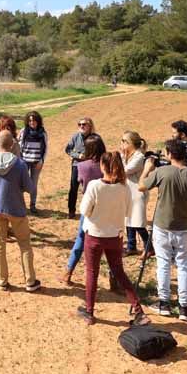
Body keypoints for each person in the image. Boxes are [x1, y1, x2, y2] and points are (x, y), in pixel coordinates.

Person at [138, 139, 187, 320]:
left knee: (163, 264)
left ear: (169, 154)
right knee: (184, 266)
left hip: (162, 226)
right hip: (185, 227)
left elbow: (141, 186)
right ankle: (184, 307)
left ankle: (164, 303)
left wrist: (148, 168)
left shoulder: (162, 172)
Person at [76, 152, 150, 326]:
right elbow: (127, 212)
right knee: (119, 272)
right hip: (115, 236)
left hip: (94, 235)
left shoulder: (95, 186)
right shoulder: (124, 188)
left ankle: (89, 312)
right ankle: (138, 311)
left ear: (103, 166)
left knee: (92, 273)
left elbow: (84, 210)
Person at [0, 130, 41, 292]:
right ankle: (30, 281)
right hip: (16, 209)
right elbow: (30, 188)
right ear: (12, 144)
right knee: (25, 245)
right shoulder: (19, 164)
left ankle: (2, 280)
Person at [61, 135, 107, 285]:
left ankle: (68, 272)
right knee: (109, 243)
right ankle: (114, 280)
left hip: (89, 207)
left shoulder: (83, 166)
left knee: (80, 239)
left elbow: (81, 182)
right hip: (106, 207)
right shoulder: (107, 165)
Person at [119, 131, 151, 256]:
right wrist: (123, 156)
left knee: (138, 222)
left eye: (124, 141)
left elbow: (125, 171)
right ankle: (131, 246)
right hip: (128, 191)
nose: (121, 144)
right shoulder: (128, 155)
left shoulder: (139, 157)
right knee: (128, 219)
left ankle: (149, 246)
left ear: (131, 143)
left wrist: (121, 157)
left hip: (137, 192)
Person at [63, 117, 98, 218]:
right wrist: (77, 156)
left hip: (90, 167)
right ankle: (71, 210)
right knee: (73, 188)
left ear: (90, 126)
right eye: (79, 124)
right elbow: (68, 149)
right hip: (77, 166)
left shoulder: (96, 138)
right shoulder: (75, 136)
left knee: (89, 188)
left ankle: (91, 210)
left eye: (84, 124)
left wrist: (91, 157)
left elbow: (101, 151)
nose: (81, 126)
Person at [17, 111, 48, 214]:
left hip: (37, 162)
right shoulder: (23, 131)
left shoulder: (43, 133)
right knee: (21, 184)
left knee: (33, 185)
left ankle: (32, 205)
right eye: (30, 120)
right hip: (24, 162)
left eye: (34, 120)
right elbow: (18, 146)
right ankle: (20, 205)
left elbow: (45, 148)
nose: (32, 122)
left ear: (38, 121)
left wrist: (42, 160)